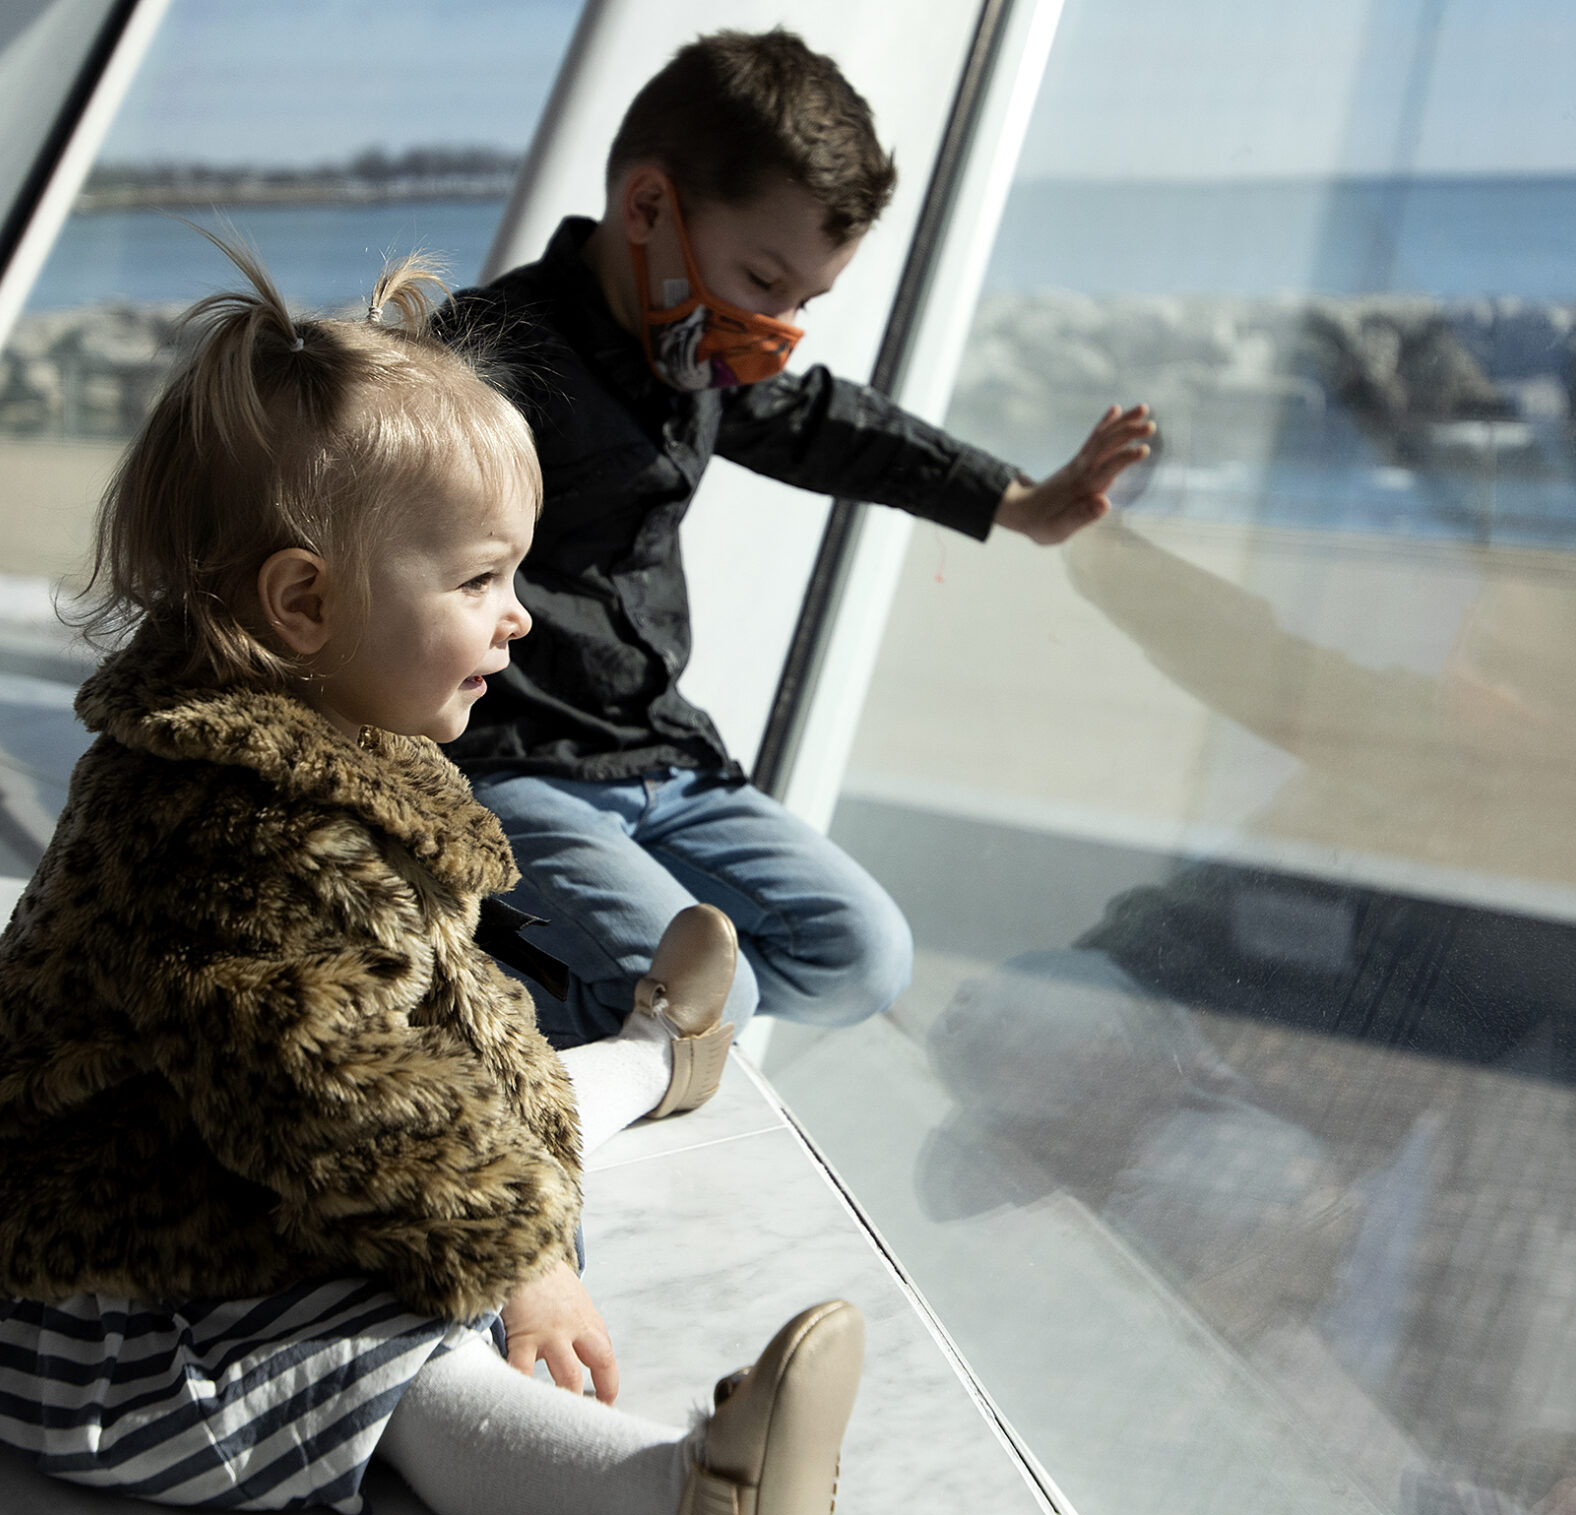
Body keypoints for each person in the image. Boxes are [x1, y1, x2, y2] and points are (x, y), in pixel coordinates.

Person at [0, 240, 861, 1515]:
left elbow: (439, 1007)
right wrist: (523, 1258)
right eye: (478, 580)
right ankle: (688, 1493)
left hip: (231, 1150)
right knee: (399, 1364)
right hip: (126, 1278)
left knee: (499, 1085)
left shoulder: (317, 741)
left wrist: (514, 1142)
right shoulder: (230, 837)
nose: (518, 616)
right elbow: (334, 1105)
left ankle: (652, 1050)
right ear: (306, 606)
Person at [439, 28, 1154, 1048]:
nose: (775, 327)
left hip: (663, 760)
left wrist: (1018, 503)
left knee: (862, 954)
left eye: (804, 301)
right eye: (763, 282)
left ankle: (610, 1000)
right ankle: (488, 982)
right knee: (707, 1001)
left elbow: (828, 423)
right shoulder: (485, 366)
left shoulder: (691, 357)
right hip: (514, 768)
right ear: (647, 209)